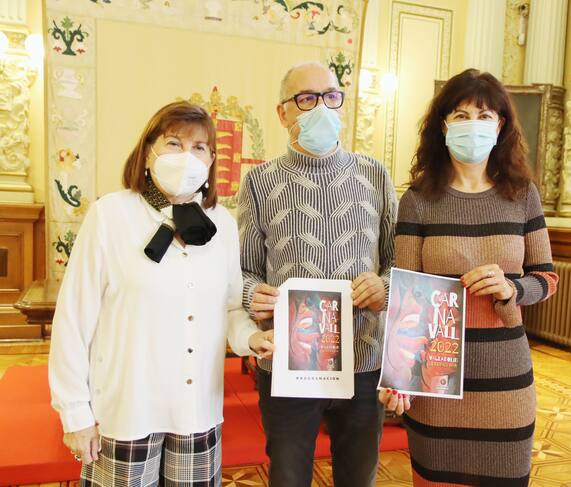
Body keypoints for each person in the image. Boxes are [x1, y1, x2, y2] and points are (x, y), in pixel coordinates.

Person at [48, 101, 274, 486]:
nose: (187, 156)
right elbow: (73, 319)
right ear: (148, 152)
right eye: (174, 143)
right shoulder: (110, 215)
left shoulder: (221, 223)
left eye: (199, 147)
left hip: (196, 412)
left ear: (211, 161)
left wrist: (252, 338)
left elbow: (230, 308)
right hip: (127, 410)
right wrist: (75, 413)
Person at [379, 68, 559, 486]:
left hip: (505, 376)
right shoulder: (418, 200)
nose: (472, 125)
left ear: (501, 126)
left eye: (484, 116)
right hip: (437, 377)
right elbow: (406, 297)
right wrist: (400, 376)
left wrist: (512, 288)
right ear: (443, 125)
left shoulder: (523, 195)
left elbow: (546, 278)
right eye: (461, 115)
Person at [237, 61, 397, 487]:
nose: (321, 108)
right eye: (306, 99)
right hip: (290, 363)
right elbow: (244, 271)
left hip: (363, 361)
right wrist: (253, 294)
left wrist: (384, 287)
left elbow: (396, 261)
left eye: (330, 96)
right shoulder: (259, 182)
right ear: (283, 113)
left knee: (358, 477)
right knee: (288, 477)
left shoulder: (375, 175)